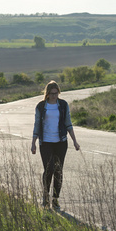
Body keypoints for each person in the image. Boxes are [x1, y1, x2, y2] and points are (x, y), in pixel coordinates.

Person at [31, 80, 80, 209]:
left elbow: (68, 123)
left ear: (58, 92)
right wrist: (33, 143)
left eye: (56, 93)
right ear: (47, 93)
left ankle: (55, 198)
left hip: (61, 142)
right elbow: (37, 125)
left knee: (58, 170)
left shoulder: (63, 105)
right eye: (51, 93)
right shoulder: (41, 106)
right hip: (45, 142)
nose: (54, 96)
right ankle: (46, 196)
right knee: (49, 169)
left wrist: (75, 141)